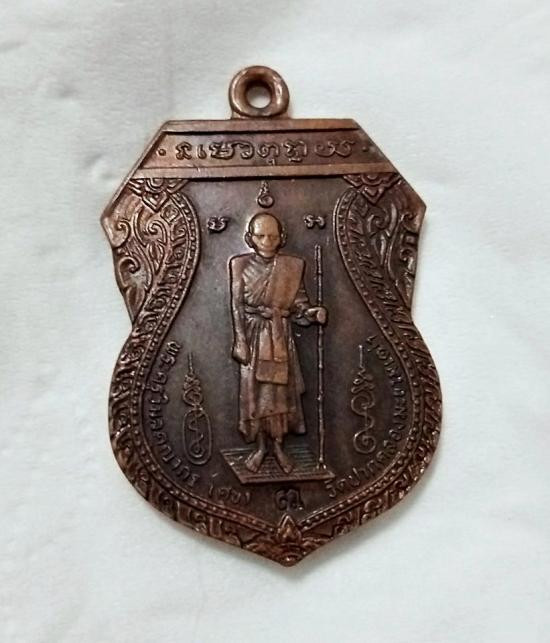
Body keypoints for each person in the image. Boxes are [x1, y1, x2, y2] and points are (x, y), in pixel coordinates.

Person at [229, 212, 327, 474]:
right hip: (253, 337)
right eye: (261, 236)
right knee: (256, 395)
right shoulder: (239, 265)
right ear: (250, 238)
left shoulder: (292, 267)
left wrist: (312, 313)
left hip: (280, 336)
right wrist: (240, 340)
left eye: (272, 236)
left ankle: (280, 447)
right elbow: (236, 306)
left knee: (281, 394)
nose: (267, 241)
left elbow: (299, 305)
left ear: (281, 238)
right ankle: (261, 448)